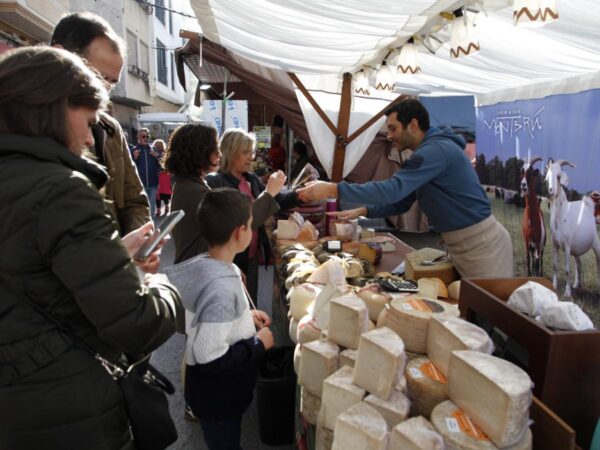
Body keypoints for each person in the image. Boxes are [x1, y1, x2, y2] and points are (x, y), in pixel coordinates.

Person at [0, 46, 183, 450]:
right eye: (87, 121)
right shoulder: (61, 189)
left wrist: (113, 254)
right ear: (53, 111)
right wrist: (165, 286)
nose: (88, 137)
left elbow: (33, 274)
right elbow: (137, 322)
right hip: (71, 408)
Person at [298, 99, 513, 278]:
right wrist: (364, 211)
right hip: (461, 245)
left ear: (413, 125)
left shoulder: (434, 151)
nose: (389, 136)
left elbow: (394, 189)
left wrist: (334, 189)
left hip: (482, 247)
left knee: (484, 318)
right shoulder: (430, 151)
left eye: (393, 128)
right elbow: (402, 201)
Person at [164, 188, 274, 450]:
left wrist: (244, 317)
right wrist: (258, 345)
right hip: (219, 396)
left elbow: (210, 318)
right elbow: (210, 356)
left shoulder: (213, 266)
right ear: (240, 233)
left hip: (213, 391)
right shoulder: (221, 289)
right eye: (250, 224)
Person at [51, 12, 150, 235]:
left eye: (112, 82)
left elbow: (135, 201)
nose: (104, 88)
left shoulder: (111, 130)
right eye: (97, 75)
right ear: (59, 56)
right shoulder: (18, 124)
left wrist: (139, 243)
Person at [206, 128, 300, 301]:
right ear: (230, 151)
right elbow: (236, 222)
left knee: (251, 304)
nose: (251, 157)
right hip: (230, 258)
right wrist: (268, 194)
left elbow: (275, 201)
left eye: (252, 152)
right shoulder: (215, 181)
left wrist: (301, 195)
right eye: (245, 152)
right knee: (232, 305)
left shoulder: (251, 179)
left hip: (251, 255)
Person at [132, 127, 162, 218]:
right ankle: (143, 226)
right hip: (140, 184)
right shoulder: (134, 150)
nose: (146, 138)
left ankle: (151, 227)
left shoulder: (153, 150)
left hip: (153, 183)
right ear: (138, 137)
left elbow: (162, 164)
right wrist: (134, 158)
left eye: (147, 136)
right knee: (142, 207)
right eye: (143, 136)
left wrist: (157, 156)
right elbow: (129, 167)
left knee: (152, 207)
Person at [153, 139, 172, 216]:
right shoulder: (166, 153)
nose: (158, 147)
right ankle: (166, 206)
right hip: (165, 176)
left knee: (158, 194)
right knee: (164, 192)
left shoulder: (156, 153)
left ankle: (158, 210)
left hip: (160, 176)